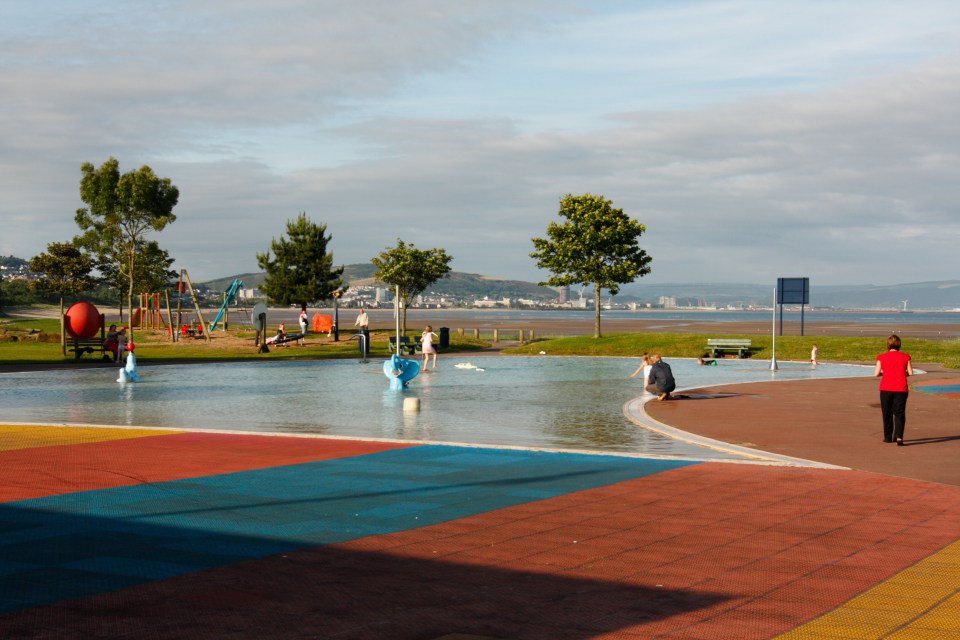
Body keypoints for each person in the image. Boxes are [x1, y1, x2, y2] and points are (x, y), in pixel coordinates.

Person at [874, 334, 912, 446]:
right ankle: (899, 437)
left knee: (887, 413)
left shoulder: (881, 357)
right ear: (899, 345)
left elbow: (876, 373)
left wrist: (885, 373)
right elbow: (910, 372)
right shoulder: (906, 357)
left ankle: (887, 436)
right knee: (899, 413)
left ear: (888, 345)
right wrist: (900, 374)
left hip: (886, 388)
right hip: (901, 388)